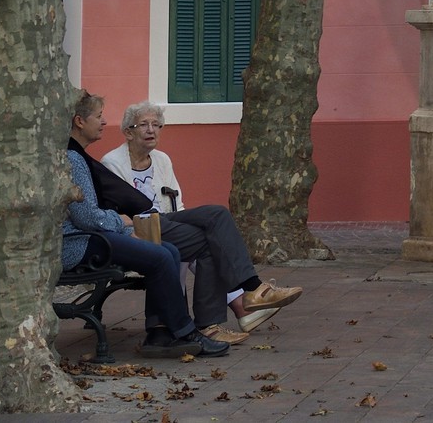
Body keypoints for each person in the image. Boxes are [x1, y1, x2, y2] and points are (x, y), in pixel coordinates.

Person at [97, 100, 302, 342]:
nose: (151, 130)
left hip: (167, 221)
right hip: (139, 228)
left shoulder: (162, 159)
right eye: (143, 125)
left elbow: (177, 202)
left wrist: (184, 226)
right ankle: (241, 299)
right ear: (128, 132)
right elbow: (119, 211)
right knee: (211, 239)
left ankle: (245, 297)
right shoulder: (112, 162)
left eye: (156, 124)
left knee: (217, 215)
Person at [62, 91, 230, 358]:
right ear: (79, 121)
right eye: (99, 117)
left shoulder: (78, 157)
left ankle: (161, 333)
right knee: (161, 256)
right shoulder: (73, 159)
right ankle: (185, 332)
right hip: (80, 243)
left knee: (168, 251)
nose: (104, 122)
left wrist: (122, 225)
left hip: (93, 237)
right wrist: (120, 222)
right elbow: (84, 217)